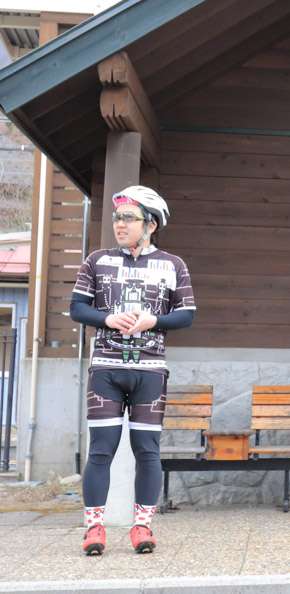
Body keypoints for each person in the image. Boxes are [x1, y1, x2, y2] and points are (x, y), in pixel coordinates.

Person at [69, 186, 196, 555]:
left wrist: (153, 321)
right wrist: (108, 317)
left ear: (151, 224)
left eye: (128, 218)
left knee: (147, 450)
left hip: (151, 371)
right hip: (106, 368)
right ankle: (94, 529)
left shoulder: (174, 265)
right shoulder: (97, 260)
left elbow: (186, 315)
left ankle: (142, 527)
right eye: (116, 217)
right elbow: (77, 308)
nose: (119, 224)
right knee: (101, 450)